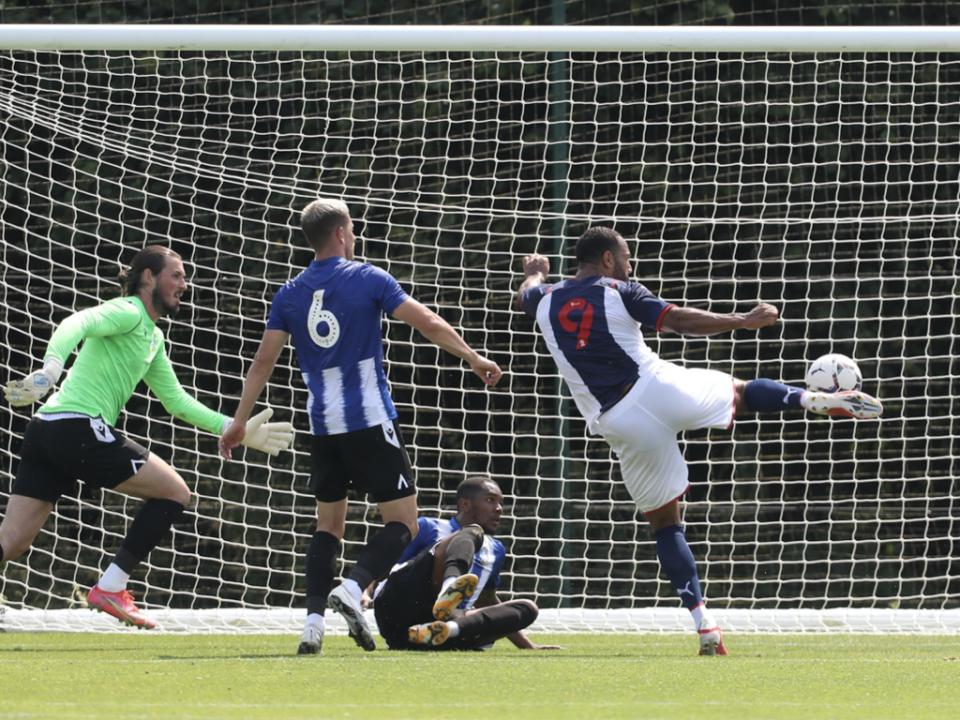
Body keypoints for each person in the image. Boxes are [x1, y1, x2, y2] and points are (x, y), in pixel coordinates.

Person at [516, 226, 883, 656]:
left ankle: (704, 623)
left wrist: (536, 272)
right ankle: (809, 398)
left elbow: (525, 293)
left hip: (616, 422)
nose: (631, 264)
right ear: (609, 260)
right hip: (656, 387)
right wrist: (741, 321)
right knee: (743, 394)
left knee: (665, 525)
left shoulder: (542, 299)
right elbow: (677, 319)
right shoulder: (619, 288)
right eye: (627, 256)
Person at [218, 198, 503, 654]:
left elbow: (262, 362)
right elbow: (426, 321)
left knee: (328, 525)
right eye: (351, 228)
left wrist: (238, 422)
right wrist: (472, 357)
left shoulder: (289, 293)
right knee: (404, 523)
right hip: (369, 420)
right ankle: (352, 588)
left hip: (323, 427)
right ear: (341, 233)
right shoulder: (367, 278)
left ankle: (312, 625)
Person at [0, 245, 293, 629]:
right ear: (149, 277)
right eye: (176, 275)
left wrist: (232, 428)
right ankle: (111, 586)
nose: (183, 285)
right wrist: (51, 369)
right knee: (175, 492)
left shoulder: (152, 337)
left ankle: (110, 586)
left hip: (46, 430)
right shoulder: (129, 312)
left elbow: (176, 401)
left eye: (184, 277)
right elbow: (78, 322)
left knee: (13, 541)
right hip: (76, 426)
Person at [371, 475, 559, 651]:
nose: (499, 508)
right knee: (472, 532)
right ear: (465, 504)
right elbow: (385, 560)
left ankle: (445, 630)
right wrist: (363, 591)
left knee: (528, 608)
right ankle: (448, 588)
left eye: (501, 502)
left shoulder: (496, 549)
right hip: (397, 608)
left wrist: (527, 646)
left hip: (415, 635)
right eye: (490, 500)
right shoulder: (428, 527)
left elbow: (487, 600)